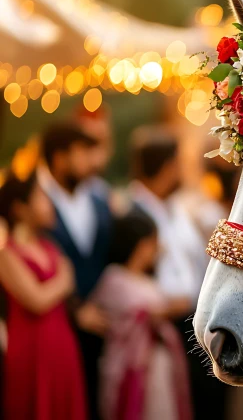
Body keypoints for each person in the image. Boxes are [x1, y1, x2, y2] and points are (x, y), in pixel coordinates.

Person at [127, 127, 226, 419]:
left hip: (197, 322)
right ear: (168, 167)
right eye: (179, 163)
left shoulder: (176, 207)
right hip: (165, 329)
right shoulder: (132, 215)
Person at [0, 161, 87, 420]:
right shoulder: (7, 254)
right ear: (20, 208)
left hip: (61, 345)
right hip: (30, 351)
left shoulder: (50, 247)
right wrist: (62, 280)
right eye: (40, 197)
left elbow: (64, 285)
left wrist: (59, 283)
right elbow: (36, 300)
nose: (49, 204)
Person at [39, 123, 114, 420]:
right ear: (59, 158)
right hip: (55, 328)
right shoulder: (35, 203)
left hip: (103, 327)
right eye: (82, 153)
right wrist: (75, 310)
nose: (92, 161)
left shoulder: (99, 201)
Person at [91, 210, 192, 420]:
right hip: (127, 369)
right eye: (154, 243)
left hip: (157, 370)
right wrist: (160, 312)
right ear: (140, 245)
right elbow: (138, 315)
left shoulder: (149, 282)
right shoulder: (114, 278)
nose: (159, 249)